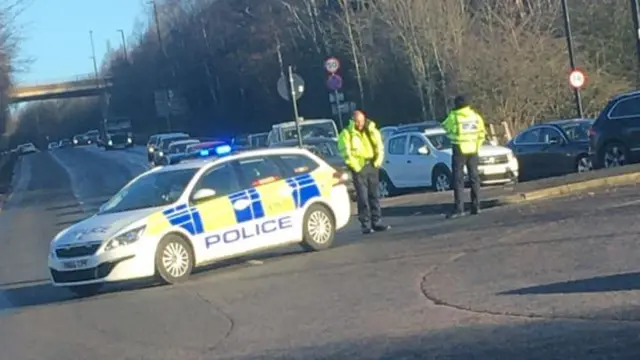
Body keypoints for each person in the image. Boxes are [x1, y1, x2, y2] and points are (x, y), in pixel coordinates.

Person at [338, 110, 391, 234]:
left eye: (361, 121)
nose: (359, 124)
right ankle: (365, 224)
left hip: (372, 165)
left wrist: (378, 162)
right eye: (357, 121)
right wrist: (356, 167)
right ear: (353, 120)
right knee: (362, 197)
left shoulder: (371, 129)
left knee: (374, 195)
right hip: (359, 168)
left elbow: (379, 145)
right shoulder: (346, 133)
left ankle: (377, 222)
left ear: (364, 119)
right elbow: (346, 153)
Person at [442, 95, 487, 218]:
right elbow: (482, 133)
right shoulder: (476, 117)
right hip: (473, 149)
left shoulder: (454, 117)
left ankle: (459, 208)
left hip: (459, 149)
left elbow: (445, 127)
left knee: (458, 179)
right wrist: (477, 145)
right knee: (474, 178)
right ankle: (476, 206)